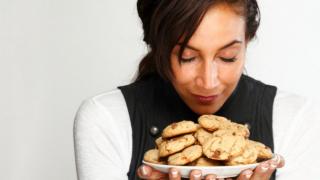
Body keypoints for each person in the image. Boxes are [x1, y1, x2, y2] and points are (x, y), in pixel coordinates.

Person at [73, 0, 320, 179]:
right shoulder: (105, 118)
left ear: (247, 40)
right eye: (187, 57)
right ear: (158, 47)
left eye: (228, 57)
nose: (208, 81)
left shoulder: (295, 117)